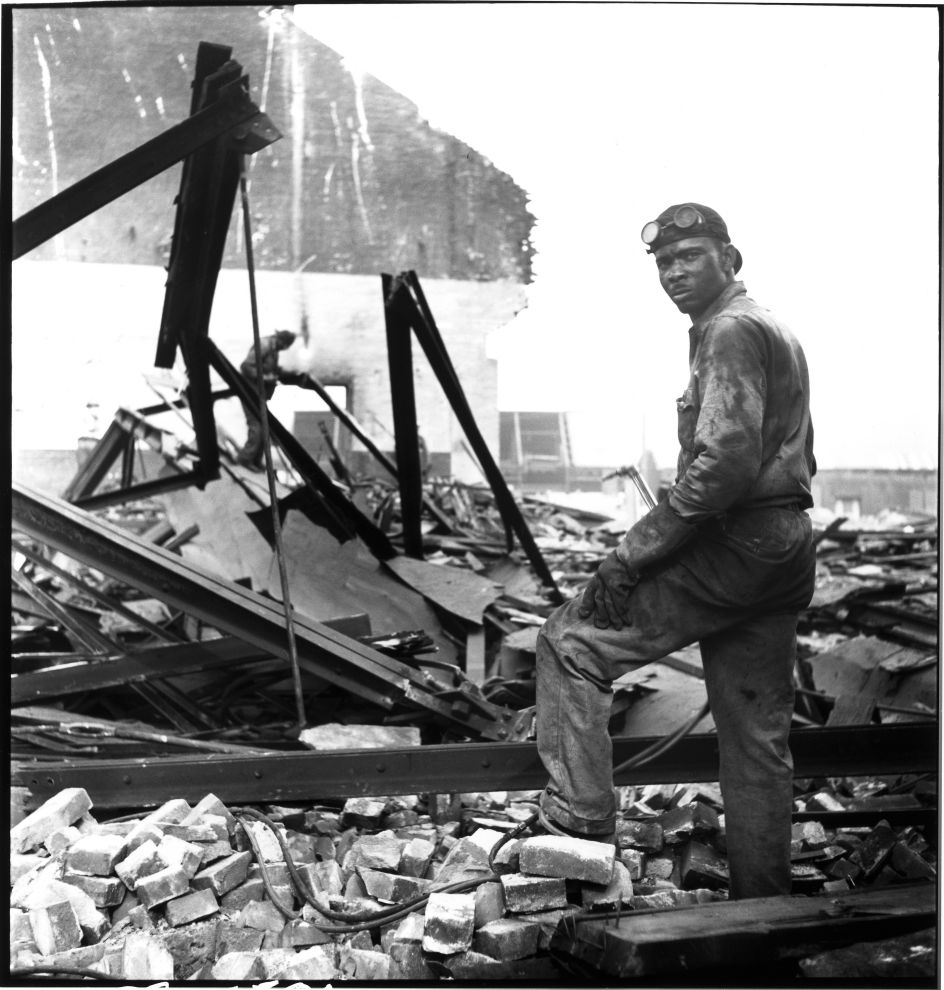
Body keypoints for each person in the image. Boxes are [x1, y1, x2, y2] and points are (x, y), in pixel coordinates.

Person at [535, 203, 816, 900]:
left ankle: (582, 819)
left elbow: (722, 463)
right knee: (755, 741)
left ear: (731, 259)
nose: (673, 273)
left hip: (738, 543)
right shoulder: (766, 323)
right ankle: (764, 906)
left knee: (571, 640)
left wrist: (633, 553)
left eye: (689, 257)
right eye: (664, 263)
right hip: (782, 548)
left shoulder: (727, 330)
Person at [237, 329, 297, 468]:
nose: (285, 349)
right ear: (282, 341)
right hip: (250, 391)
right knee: (256, 426)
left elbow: (269, 368)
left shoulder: (273, 349)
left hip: (259, 393)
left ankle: (255, 461)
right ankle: (245, 459)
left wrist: (287, 373)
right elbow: (246, 367)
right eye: (286, 345)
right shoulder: (264, 344)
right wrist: (266, 378)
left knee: (265, 427)